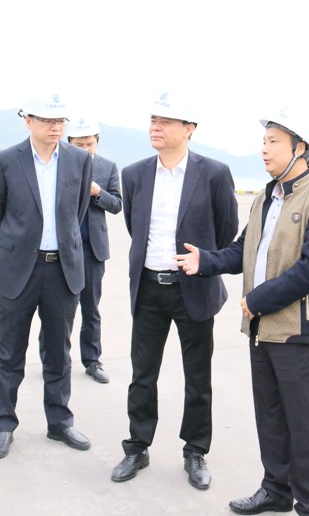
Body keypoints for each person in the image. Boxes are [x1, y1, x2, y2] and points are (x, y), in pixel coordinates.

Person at [175, 108, 309, 516]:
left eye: (274, 142)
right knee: (269, 415)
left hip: (297, 330)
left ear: (300, 148)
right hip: (260, 329)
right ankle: (275, 490)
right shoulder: (266, 197)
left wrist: (258, 300)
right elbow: (244, 249)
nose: (264, 149)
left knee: (301, 423)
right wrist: (207, 261)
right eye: (264, 141)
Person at [110, 91, 238, 490]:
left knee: (197, 377)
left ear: (189, 129)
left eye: (165, 121)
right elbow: (135, 227)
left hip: (193, 288)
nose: (156, 127)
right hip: (149, 287)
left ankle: (195, 451)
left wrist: (200, 261)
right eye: (153, 120)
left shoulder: (214, 173)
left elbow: (226, 230)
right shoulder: (134, 174)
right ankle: (137, 447)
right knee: (142, 374)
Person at [0, 94, 93, 459]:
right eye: (47, 120)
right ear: (28, 121)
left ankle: (59, 422)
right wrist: (22, 242)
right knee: (10, 351)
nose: (55, 126)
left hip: (62, 269)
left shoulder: (80, 160)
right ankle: (3, 425)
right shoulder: (5, 161)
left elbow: (77, 211)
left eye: (60, 120)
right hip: (18, 269)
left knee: (59, 350)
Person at [63, 118, 122, 383]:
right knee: (59, 308)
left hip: (93, 249)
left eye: (90, 144)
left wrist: (98, 192)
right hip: (63, 247)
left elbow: (117, 204)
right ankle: (55, 359)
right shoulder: (59, 164)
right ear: (69, 144)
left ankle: (92, 360)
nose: (85, 149)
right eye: (79, 145)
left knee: (91, 308)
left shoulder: (108, 167)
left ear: (97, 142)